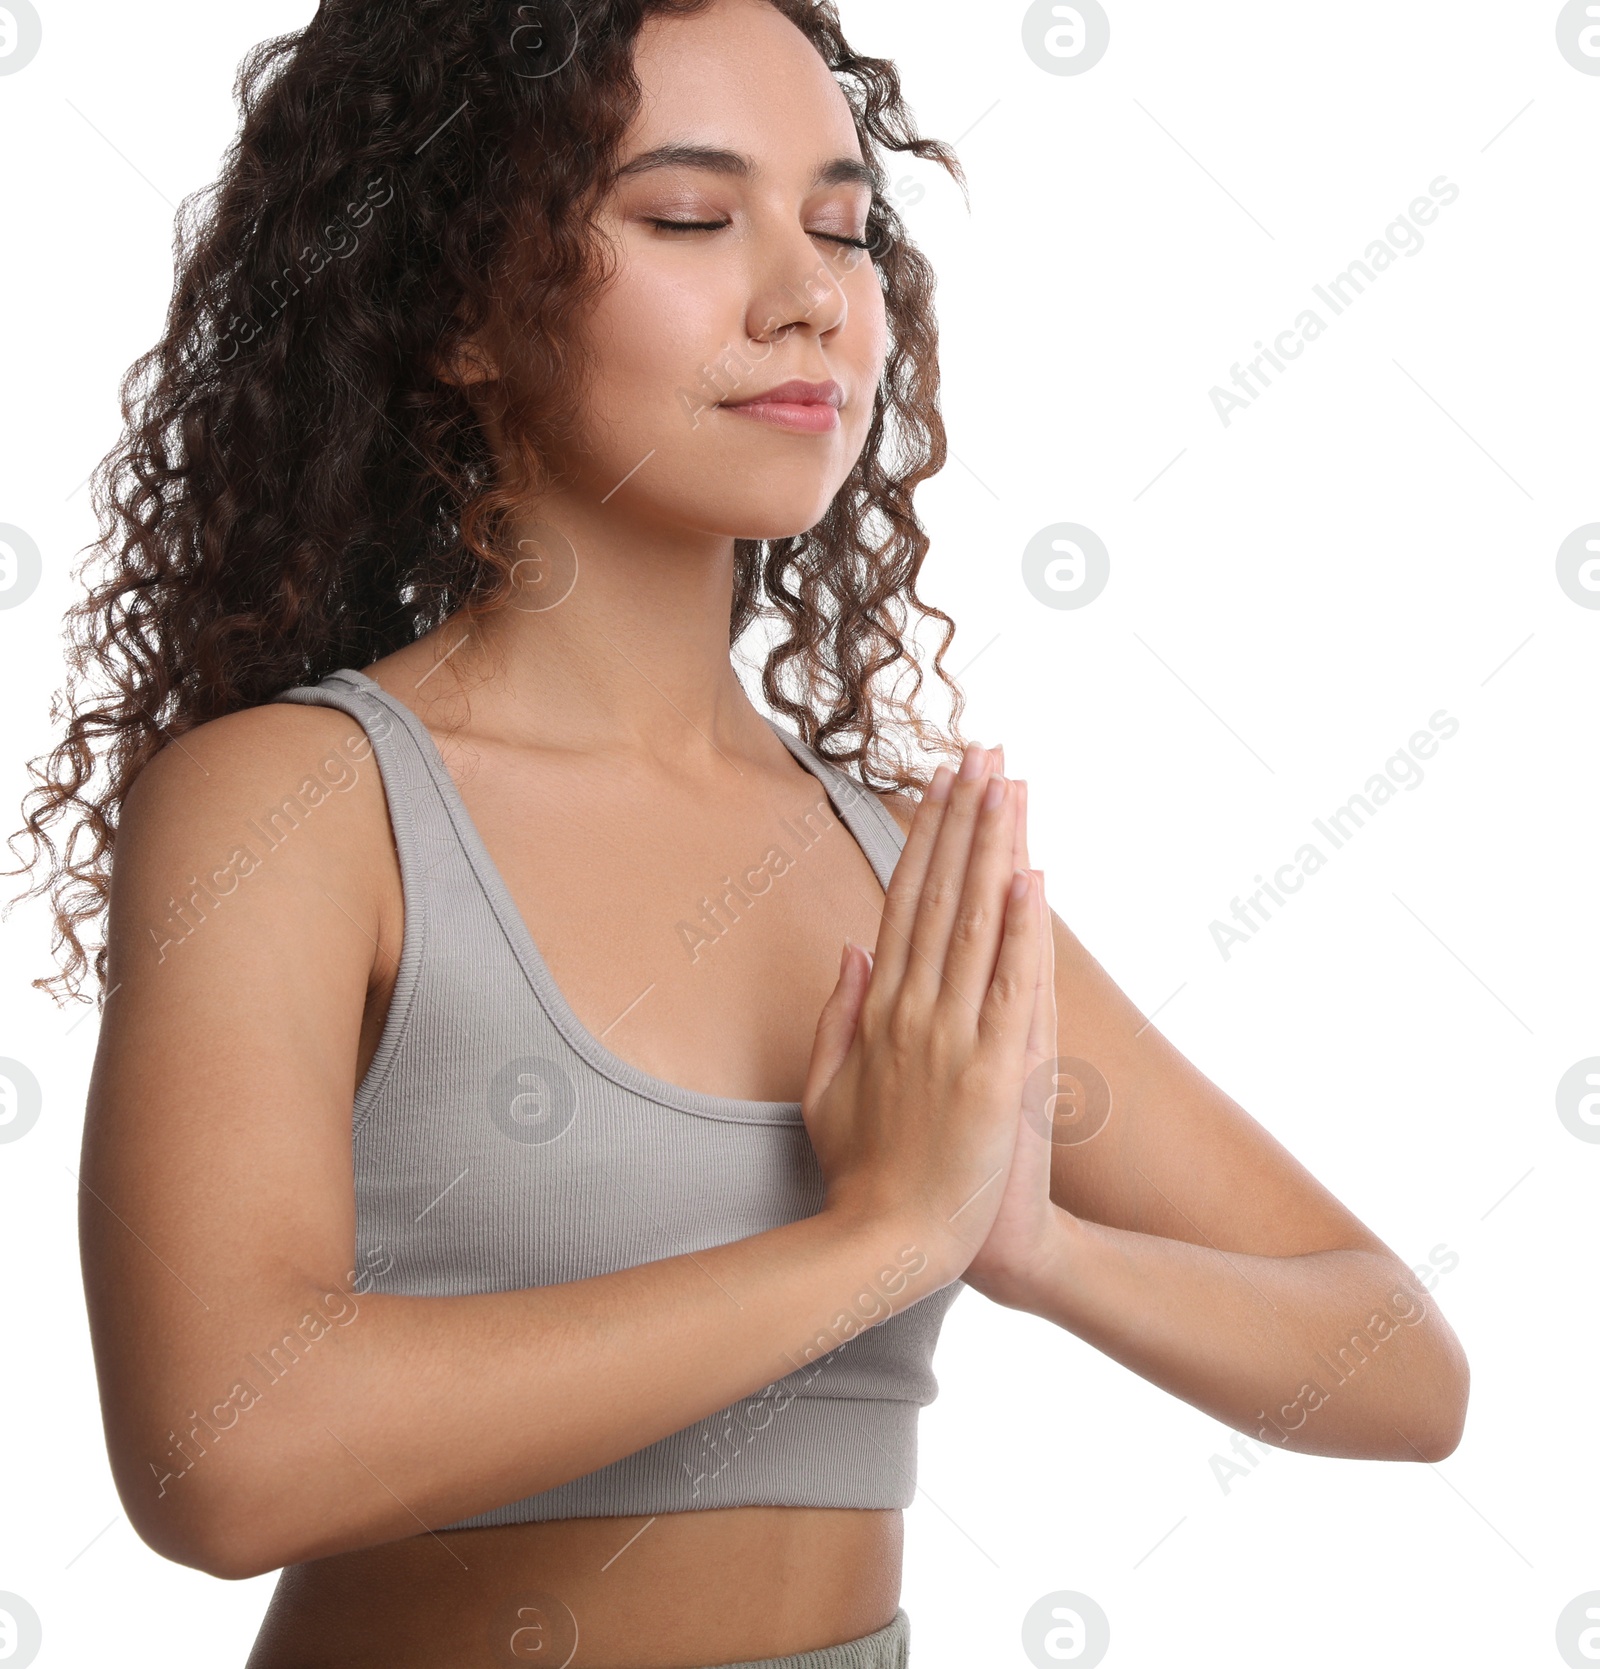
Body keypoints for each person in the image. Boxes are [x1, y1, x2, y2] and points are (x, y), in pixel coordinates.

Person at [8, 2, 1470, 1665]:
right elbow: (220, 1456)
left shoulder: (896, 870)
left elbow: (1400, 1365)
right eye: (692, 218)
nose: (810, 298)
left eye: (843, 225)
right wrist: (874, 1241)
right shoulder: (303, 805)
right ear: (462, 307)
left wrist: (1038, 1248)